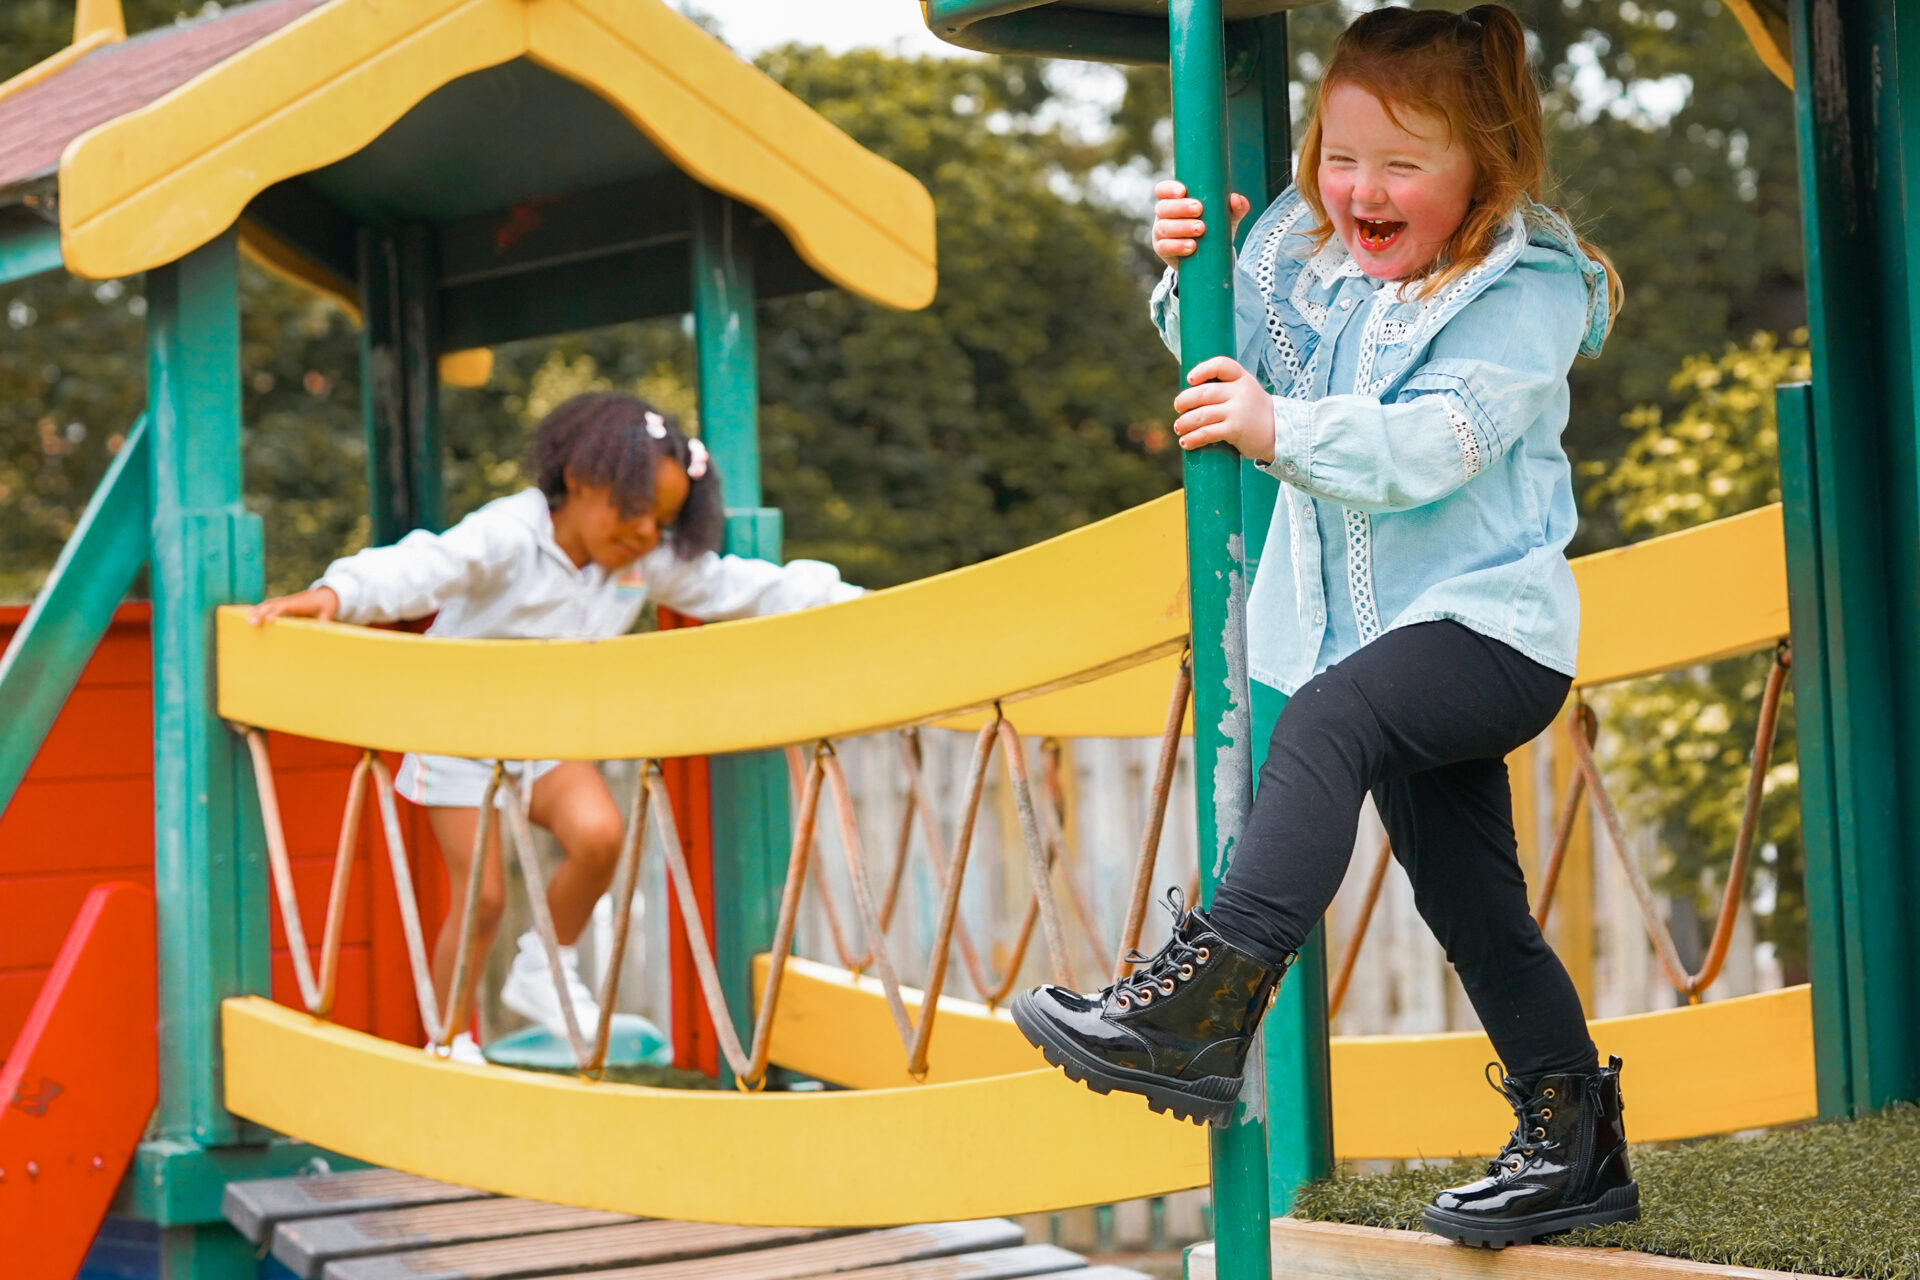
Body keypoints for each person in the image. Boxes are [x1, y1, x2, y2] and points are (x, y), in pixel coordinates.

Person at [1011, 5, 1636, 1249]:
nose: (1364, 189)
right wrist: (1193, 270)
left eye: (1405, 165)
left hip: (1491, 632)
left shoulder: (1527, 286)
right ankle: (1576, 1141)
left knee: (1335, 722)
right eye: (1341, 158)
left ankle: (1207, 995)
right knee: (1471, 903)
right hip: (1379, 644)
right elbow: (1238, 360)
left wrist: (1277, 430)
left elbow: (1433, 445)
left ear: (1485, 167)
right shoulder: (1320, 258)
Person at [252, 392, 861, 1065]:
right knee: (482, 898)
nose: (642, 535)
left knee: (599, 838)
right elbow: (425, 565)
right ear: (579, 480)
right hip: (458, 733)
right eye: (632, 513)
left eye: (660, 523)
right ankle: (448, 1041)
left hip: (544, 738)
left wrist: (844, 603)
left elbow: (735, 587)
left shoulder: (635, 560)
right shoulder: (510, 535)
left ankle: (542, 965)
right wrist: (340, 594)